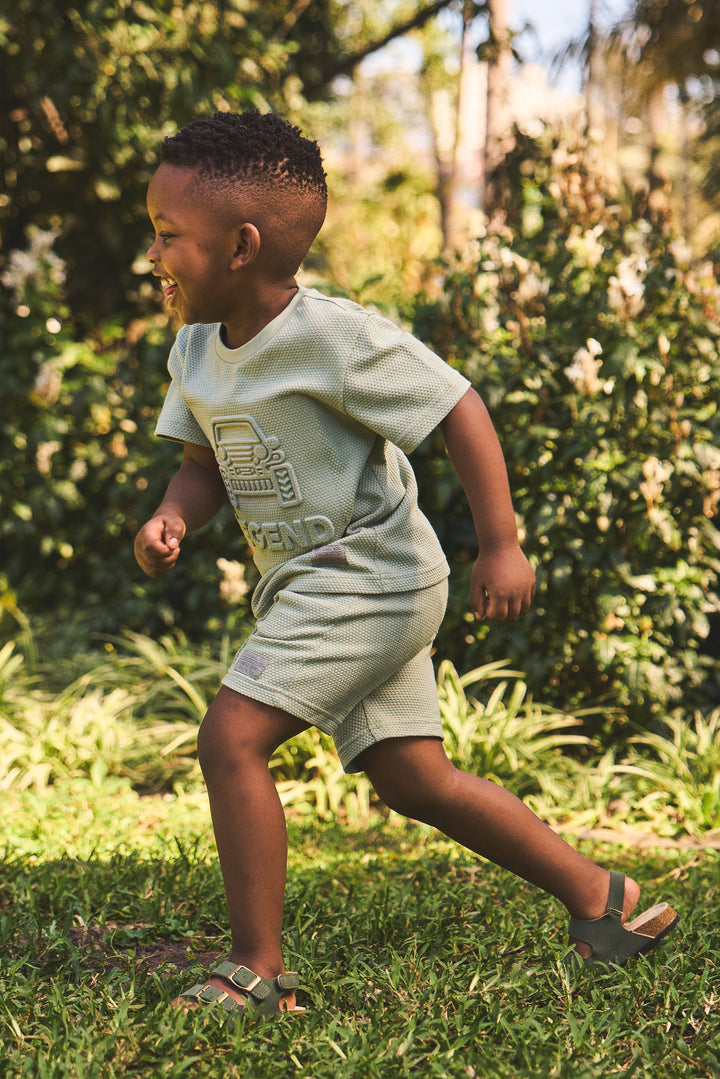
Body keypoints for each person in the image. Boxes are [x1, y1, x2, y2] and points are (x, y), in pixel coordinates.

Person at [134, 110, 678, 1016]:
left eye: (166, 235)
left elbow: (456, 404)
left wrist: (500, 542)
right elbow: (202, 465)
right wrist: (169, 516)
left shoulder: (335, 339)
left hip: (369, 576)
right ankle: (602, 897)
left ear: (241, 245)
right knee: (413, 778)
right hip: (315, 585)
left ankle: (258, 973)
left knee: (231, 737)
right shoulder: (195, 350)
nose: (153, 255)